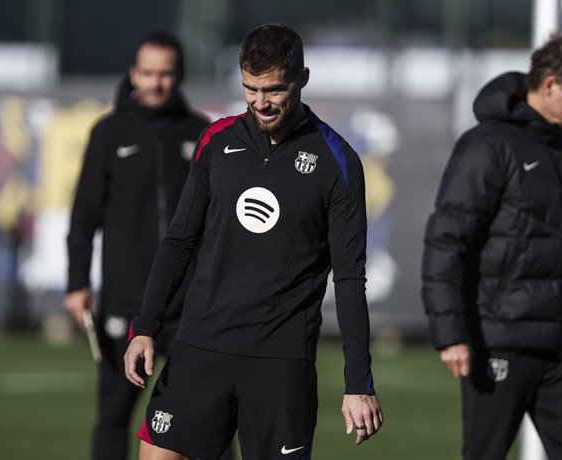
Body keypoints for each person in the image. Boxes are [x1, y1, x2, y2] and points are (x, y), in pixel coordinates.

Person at [124, 23, 384, 460]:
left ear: (302, 77)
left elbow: (351, 278)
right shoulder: (216, 141)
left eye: (274, 90)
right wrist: (145, 326)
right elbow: (179, 241)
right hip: (201, 346)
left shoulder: (337, 162)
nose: (260, 103)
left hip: (279, 363)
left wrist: (358, 382)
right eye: (250, 88)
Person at [421, 34, 562, 460]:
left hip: (560, 344)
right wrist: (452, 334)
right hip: (497, 341)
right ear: (549, 86)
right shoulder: (486, 146)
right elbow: (447, 243)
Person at [65, 32, 212, 460]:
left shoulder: (202, 134)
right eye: (147, 73)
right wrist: (77, 284)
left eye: (164, 74)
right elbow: (83, 217)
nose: (155, 82)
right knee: (113, 415)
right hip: (125, 303)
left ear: (178, 75)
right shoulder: (109, 133)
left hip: (189, 304)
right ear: (133, 74)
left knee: (209, 417)